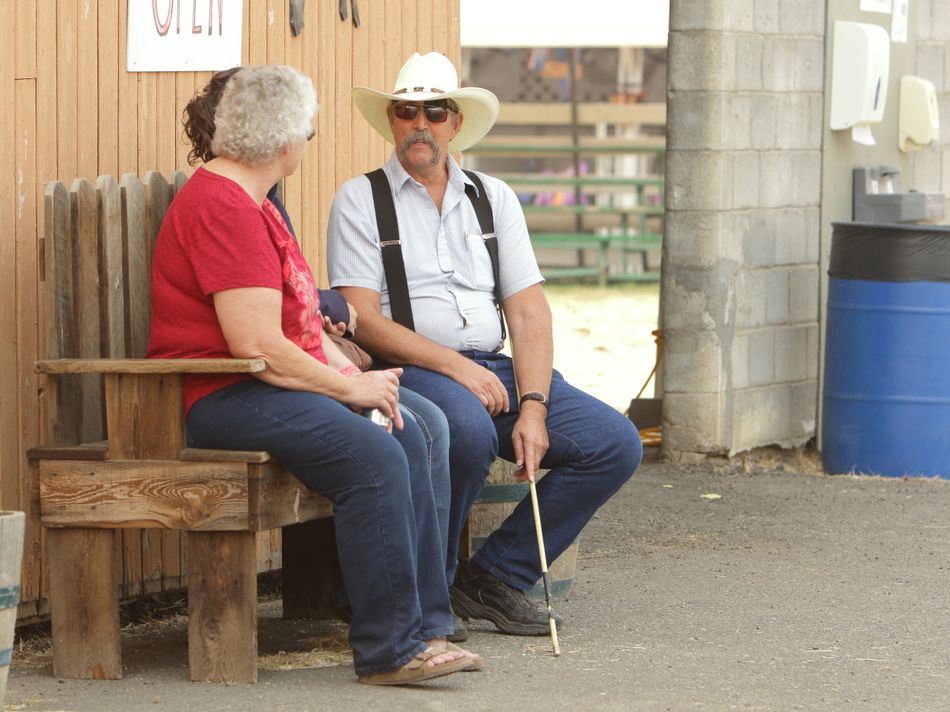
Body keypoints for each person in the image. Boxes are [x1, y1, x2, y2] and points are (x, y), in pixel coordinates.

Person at [146, 65, 480, 684]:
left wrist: (362, 383)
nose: (308, 141)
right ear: (282, 140)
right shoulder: (225, 206)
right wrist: (351, 387)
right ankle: (389, 650)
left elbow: (297, 322)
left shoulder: (256, 201)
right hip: (225, 393)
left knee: (418, 424)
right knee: (375, 456)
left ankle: (428, 627)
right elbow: (256, 343)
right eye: (308, 131)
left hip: (261, 383)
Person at [327, 52, 643, 639]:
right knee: (466, 433)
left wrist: (534, 404)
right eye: (406, 110)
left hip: (492, 367)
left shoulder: (493, 197)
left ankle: (494, 575)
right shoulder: (360, 199)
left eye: (435, 110)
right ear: (391, 121)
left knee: (614, 444)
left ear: (456, 123)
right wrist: (453, 367)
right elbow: (362, 321)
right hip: (409, 369)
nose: (420, 122)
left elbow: (527, 311)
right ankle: (428, 589)